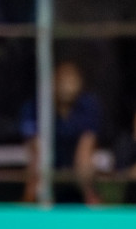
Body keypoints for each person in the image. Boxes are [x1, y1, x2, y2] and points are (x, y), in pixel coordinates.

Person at [22, 61, 102, 204]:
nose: (67, 86)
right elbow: (36, 150)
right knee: (37, 164)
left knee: (85, 166)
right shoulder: (34, 107)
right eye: (63, 80)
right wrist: (33, 193)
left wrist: (89, 194)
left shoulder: (88, 106)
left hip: (77, 175)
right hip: (48, 171)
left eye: (71, 80)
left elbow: (85, 150)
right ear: (53, 82)